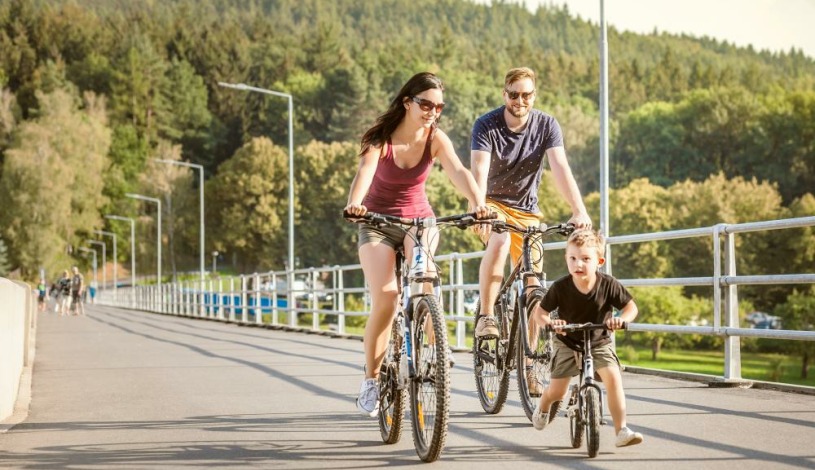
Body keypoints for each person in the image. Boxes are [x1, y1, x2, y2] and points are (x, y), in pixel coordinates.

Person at [344, 72, 490, 417]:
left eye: (439, 106)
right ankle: (371, 379)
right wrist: (356, 203)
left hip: (420, 222)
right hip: (377, 224)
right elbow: (364, 171)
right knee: (388, 297)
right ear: (408, 102)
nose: (432, 112)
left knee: (423, 281)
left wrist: (477, 201)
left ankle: (437, 349)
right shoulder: (381, 139)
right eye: (426, 104)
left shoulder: (435, 138)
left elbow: (458, 171)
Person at [471, 66, 592, 395]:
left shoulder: (547, 124)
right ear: (504, 94)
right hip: (492, 204)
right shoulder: (486, 124)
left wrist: (578, 210)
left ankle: (530, 370)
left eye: (526, 95)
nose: (519, 101)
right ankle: (486, 315)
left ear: (534, 96)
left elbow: (560, 167)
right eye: (513, 94)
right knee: (497, 240)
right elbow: (479, 169)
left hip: (528, 212)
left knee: (533, 286)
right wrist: (479, 205)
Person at [530, 229, 643, 447]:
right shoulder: (561, 287)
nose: (578, 264)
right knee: (557, 391)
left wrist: (621, 319)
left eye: (585, 259)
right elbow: (539, 314)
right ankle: (543, 405)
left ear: (599, 261)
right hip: (567, 341)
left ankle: (621, 430)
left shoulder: (608, 284)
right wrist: (551, 323)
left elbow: (631, 307)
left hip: (599, 341)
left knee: (613, 379)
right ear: (566, 259)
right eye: (572, 258)